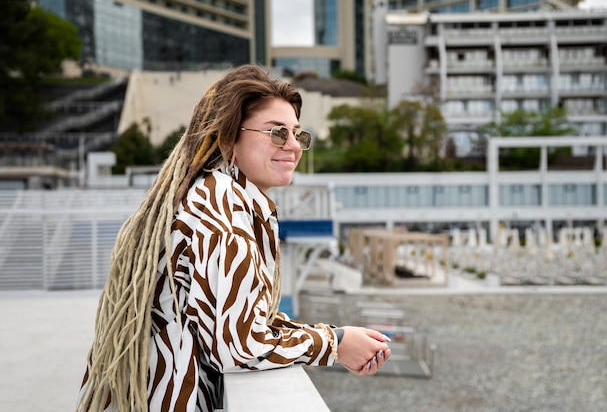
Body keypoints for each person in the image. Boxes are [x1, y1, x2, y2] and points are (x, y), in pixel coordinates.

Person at [76, 64, 391, 412]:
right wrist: (336, 344)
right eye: (276, 133)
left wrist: (336, 335)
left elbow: (241, 317)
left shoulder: (211, 194)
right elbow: (239, 346)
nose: (293, 146)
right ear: (229, 137)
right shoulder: (223, 210)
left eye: (297, 134)